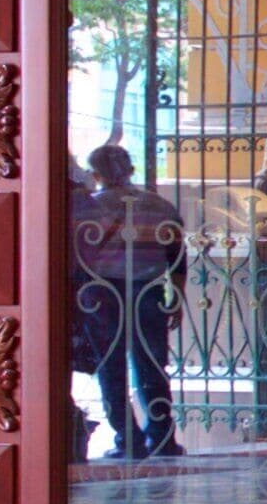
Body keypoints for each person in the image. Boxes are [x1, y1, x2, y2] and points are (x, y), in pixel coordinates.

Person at [72, 143, 188, 460]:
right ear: (132, 171)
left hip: (102, 295)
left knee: (111, 367)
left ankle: (129, 440)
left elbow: (78, 256)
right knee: (152, 366)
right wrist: (175, 298)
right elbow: (177, 259)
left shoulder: (89, 209)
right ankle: (163, 437)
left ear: (96, 174)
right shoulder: (161, 207)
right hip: (149, 292)